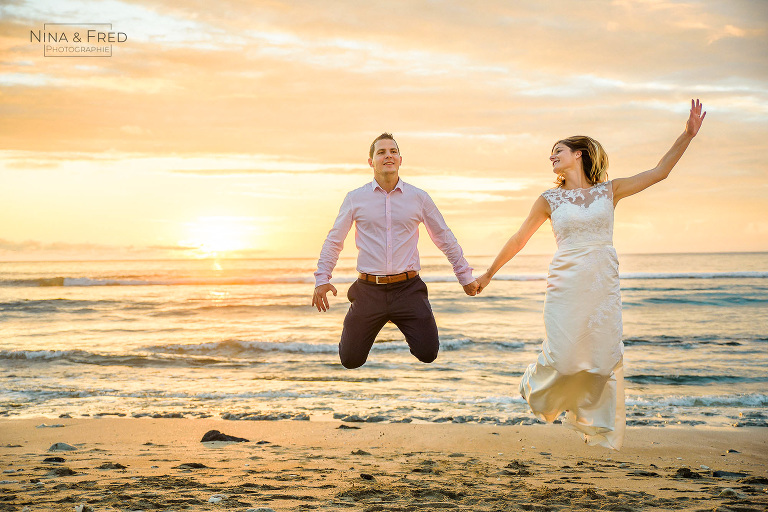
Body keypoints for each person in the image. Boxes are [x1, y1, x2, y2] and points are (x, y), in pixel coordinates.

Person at [476, 100, 706, 449]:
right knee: (565, 357)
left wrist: (687, 135)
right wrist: (489, 274)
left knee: (600, 360)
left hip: (602, 280)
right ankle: (533, 385)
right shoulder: (549, 199)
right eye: (551, 153)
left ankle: (589, 422)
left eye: (558, 151)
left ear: (579, 154)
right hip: (566, 280)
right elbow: (519, 238)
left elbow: (660, 171)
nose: (552, 157)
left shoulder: (609, 191)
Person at [313, 133, 479, 369]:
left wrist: (465, 277)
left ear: (401, 159)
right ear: (371, 162)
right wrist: (322, 279)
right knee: (350, 360)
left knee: (428, 353)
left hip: (408, 289)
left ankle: (403, 319)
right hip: (369, 290)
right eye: (381, 152)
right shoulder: (355, 199)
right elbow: (334, 241)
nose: (387, 156)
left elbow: (444, 237)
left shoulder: (419, 198)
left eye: (392, 151)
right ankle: (366, 317)